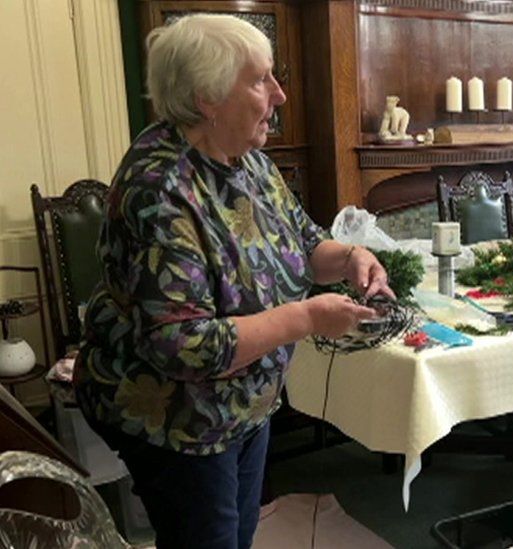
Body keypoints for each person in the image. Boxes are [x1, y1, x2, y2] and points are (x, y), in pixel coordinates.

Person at [74, 14, 392, 549]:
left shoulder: (249, 161)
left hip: (243, 404)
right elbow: (183, 345)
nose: (280, 95)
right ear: (208, 98)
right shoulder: (160, 190)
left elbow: (305, 242)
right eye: (260, 79)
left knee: (238, 533)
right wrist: (307, 317)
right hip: (180, 421)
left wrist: (352, 256)